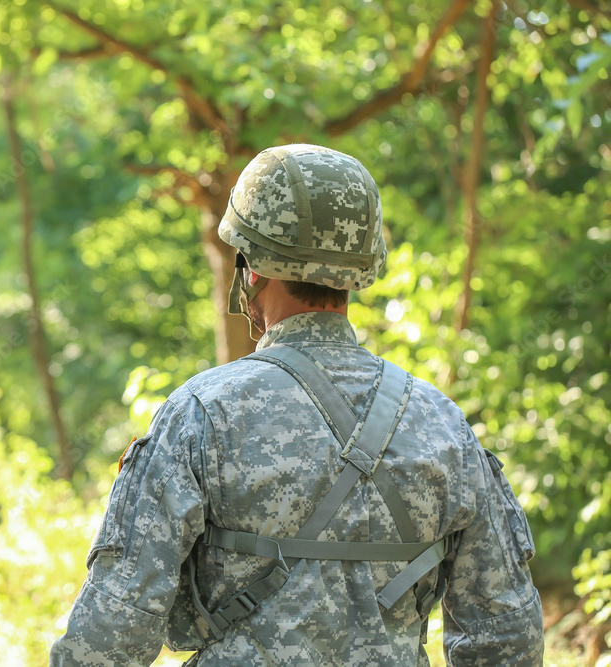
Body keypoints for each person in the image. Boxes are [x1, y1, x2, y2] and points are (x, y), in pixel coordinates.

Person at [50, 144, 544, 666]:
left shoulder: (201, 415)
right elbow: (507, 639)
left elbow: (110, 634)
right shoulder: (442, 425)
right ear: (362, 268)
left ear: (251, 269)